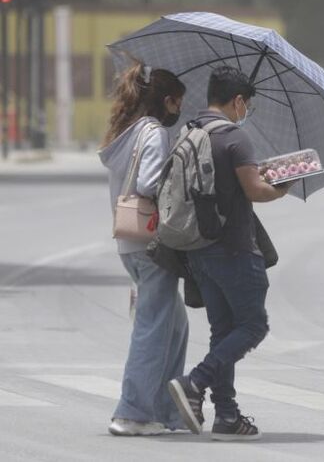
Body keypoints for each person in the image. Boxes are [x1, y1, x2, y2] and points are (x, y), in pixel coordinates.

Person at [168, 66, 290, 441]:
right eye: (246, 104)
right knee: (253, 326)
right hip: (236, 249)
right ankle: (195, 382)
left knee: (223, 333)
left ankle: (227, 415)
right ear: (238, 101)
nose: (246, 110)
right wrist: (282, 186)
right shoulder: (235, 138)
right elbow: (255, 191)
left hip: (198, 250)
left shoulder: (190, 132)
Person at [99, 62, 187, 436]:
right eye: (178, 103)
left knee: (175, 326)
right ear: (167, 101)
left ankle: (166, 411)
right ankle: (132, 413)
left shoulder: (127, 130)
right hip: (151, 244)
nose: (179, 110)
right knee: (153, 327)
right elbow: (150, 184)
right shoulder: (153, 134)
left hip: (129, 243)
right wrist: (180, 171)